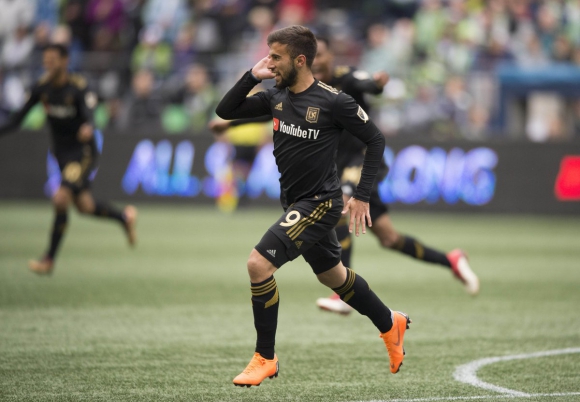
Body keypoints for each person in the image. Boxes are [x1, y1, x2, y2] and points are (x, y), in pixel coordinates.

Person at [216, 25, 411, 387]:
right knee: (332, 276)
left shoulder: (334, 101)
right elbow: (226, 111)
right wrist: (250, 76)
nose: (269, 63)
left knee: (258, 264)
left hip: (319, 203)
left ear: (299, 60)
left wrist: (363, 194)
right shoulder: (276, 95)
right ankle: (390, 323)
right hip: (293, 201)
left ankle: (265, 358)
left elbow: (376, 139)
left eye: (276, 57)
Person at [312, 37, 479, 315]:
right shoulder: (308, 88)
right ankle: (452, 260)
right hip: (339, 165)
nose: (315, 60)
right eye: (311, 54)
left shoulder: (347, 77)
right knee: (389, 238)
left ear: (331, 56)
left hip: (364, 159)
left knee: (341, 204)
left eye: (321, 54)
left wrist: (378, 83)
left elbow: (369, 83)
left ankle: (342, 294)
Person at [0, 44, 137, 275]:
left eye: (52, 60)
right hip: (62, 155)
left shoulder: (78, 88)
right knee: (85, 206)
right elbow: (17, 120)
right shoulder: (41, 88)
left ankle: (48, 260)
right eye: (45, 60)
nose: (47, 65)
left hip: (83, 152)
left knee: (61, 197)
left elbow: (91, 115)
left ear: (64, 61)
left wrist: (89, 126)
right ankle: (124, 217)